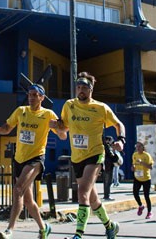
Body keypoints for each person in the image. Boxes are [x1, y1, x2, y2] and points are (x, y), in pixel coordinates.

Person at [56, 72, 125, 239]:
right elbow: (63, 127)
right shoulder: (68, 105)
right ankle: (110, 226)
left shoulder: (100, 108)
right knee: (92, 199)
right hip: (77, 157)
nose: (81, 91)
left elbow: (118, 124)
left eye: (85, 88)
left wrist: (121, 140)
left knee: (82, 192)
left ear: (91, 90)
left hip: (95, 154)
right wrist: (55, 127)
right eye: (78, 87)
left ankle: (78, 235)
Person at [0, 84, 62, 239]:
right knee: (28, 200)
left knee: (18, 189)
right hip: (19, 159)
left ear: (42, 97)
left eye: (35, 95)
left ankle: (9, 230)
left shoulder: (48, 114)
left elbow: (62, 135)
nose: (31, 97)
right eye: (30, 94)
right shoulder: (21, 111)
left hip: (36, 159)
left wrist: (59, 127)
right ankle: (44, 228)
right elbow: (7, 128)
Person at [132, 141, 154, 219]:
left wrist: (142, 163)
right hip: (137, 177)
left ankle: (149, 212)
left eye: (139, 147)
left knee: (146, 196)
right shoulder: (134, 155)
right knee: (135, 193)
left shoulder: (147, 155)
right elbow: (133, 164)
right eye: (136, 147)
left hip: (146, 178)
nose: (137, 148)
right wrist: (133, 168)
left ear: (143, 147)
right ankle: (141, 206)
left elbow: (150, 167)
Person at [102, 136, 119, 201]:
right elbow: (111, 155)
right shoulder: (107, 147)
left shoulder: (106, 146)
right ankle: (107, 195)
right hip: (107, 165)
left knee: (108, 180)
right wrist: (115, 156)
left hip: (107, 165)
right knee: (108, 181)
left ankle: (107, 195)